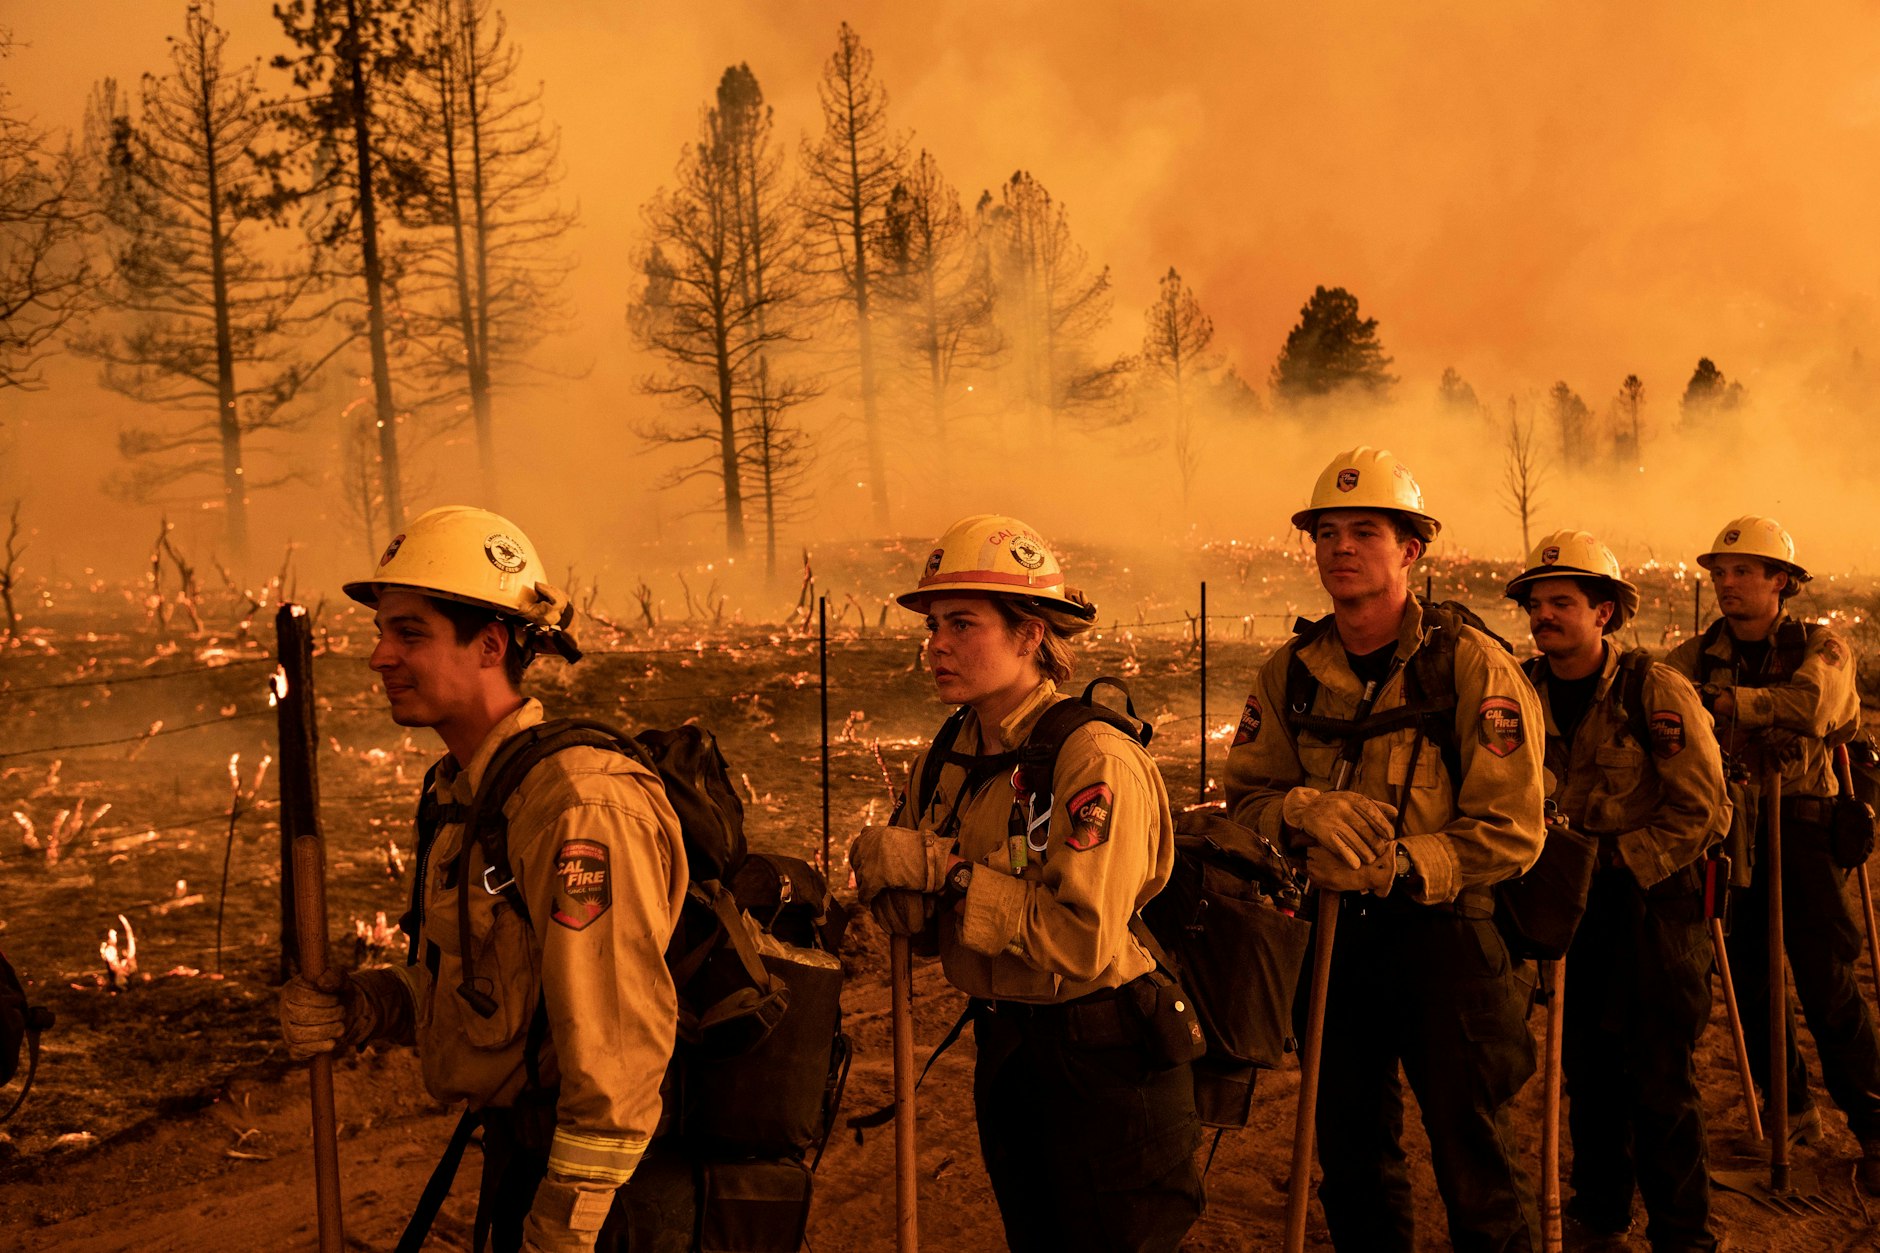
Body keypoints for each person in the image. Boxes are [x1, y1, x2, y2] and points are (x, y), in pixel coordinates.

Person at [277, 506, 688, 1253]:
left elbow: (618, 1054)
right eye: (381, 632)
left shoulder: (577, 805)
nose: (380, 656)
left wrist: (561, 1235)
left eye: (410, 633)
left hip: (605, 1202)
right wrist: (365, 1005)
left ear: (490, 644)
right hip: (524, 1160)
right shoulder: (467, 792)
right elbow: (493, 990)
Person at [849, 513, 1203, 1253]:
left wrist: (944, 874)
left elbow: (1081, 934)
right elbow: (917, 926)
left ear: (1030, 634)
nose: (937, 644)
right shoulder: (945, 755)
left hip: (1106, 1060)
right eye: (934, 624)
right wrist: (890, 881)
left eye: (963, 624)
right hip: (1008, 1044)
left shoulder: (1092, 757)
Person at [1225, 446, 1545, 1253]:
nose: (1339, 547)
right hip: (1334, 943)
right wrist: (1299, 807)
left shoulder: (1469, 666)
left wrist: (1399, 863)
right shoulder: (1289, 673)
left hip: (1448, 945)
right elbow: (1246, 802)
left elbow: (1514, 830)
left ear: (1410, 549)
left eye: (1364, 531)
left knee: (1474, 1160)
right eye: (1325, 532)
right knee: (1351, 1156)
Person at [1507, 530, 1726, 1251]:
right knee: (1588, 1076)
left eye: (1561, 602)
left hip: (1651, 910)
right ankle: (1601, 1215)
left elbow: (1703, 808)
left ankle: (1682, 1235)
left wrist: (1614, 864)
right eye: (1536, 603)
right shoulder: (1520, 695)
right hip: (1569, 916)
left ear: (1604, 612)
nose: (1544, 615)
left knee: (1659, 1082)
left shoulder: (1652, 689)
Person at [1665, 514, 1880, 1191]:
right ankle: (1788, 1108)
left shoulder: (1826, 646)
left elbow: (1814, 706)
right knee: (1750, 981)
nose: (1726, 583)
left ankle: (1874, 1122)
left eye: (1743, 572)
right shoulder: (1694, 655)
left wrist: (1724, 704)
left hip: (1806, 827)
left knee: (1828, 984)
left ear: (1781, 582)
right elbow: (1663, 699)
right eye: (1719, 572)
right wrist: (1736, 706)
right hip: (1734, 832)